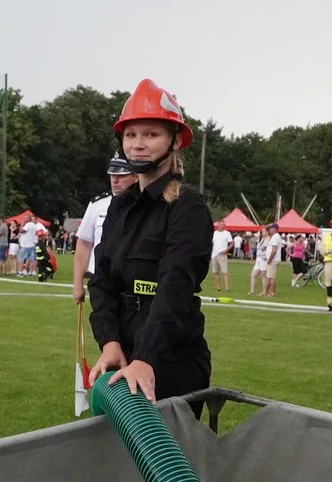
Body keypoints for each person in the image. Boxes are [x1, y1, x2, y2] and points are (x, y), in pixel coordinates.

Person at [88, 78, 212, 419]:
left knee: (166, 467)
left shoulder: (188, 208)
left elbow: (175, 286)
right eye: (131, 135)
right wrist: (109, 342)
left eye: (151, 134)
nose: (138, 144)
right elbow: (100, 281)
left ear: (174, 140)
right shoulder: (119, 207)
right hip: (123, 355)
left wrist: (147, 359)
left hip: (171, 359)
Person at [72, 152, 138, 303]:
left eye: (122, 175)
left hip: (132, 281)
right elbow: (84, 244)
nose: (115, 179)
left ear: (136, 176)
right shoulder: (97, 205)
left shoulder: (147, 205)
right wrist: (77, 285)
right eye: (112, 175)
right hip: (101, 279)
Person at [210, 219, 234, 294]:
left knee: (225, 271)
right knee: (215, 272)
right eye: (221, 224)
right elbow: (211, 242)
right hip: (214, 254)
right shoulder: (214, 233)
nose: (223, 226)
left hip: (222, 254)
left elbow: (232, 243)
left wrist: (226, 250)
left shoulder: (227, 233)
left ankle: (227, 288)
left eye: (224, 224)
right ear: (218, 225)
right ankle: (218, 287)